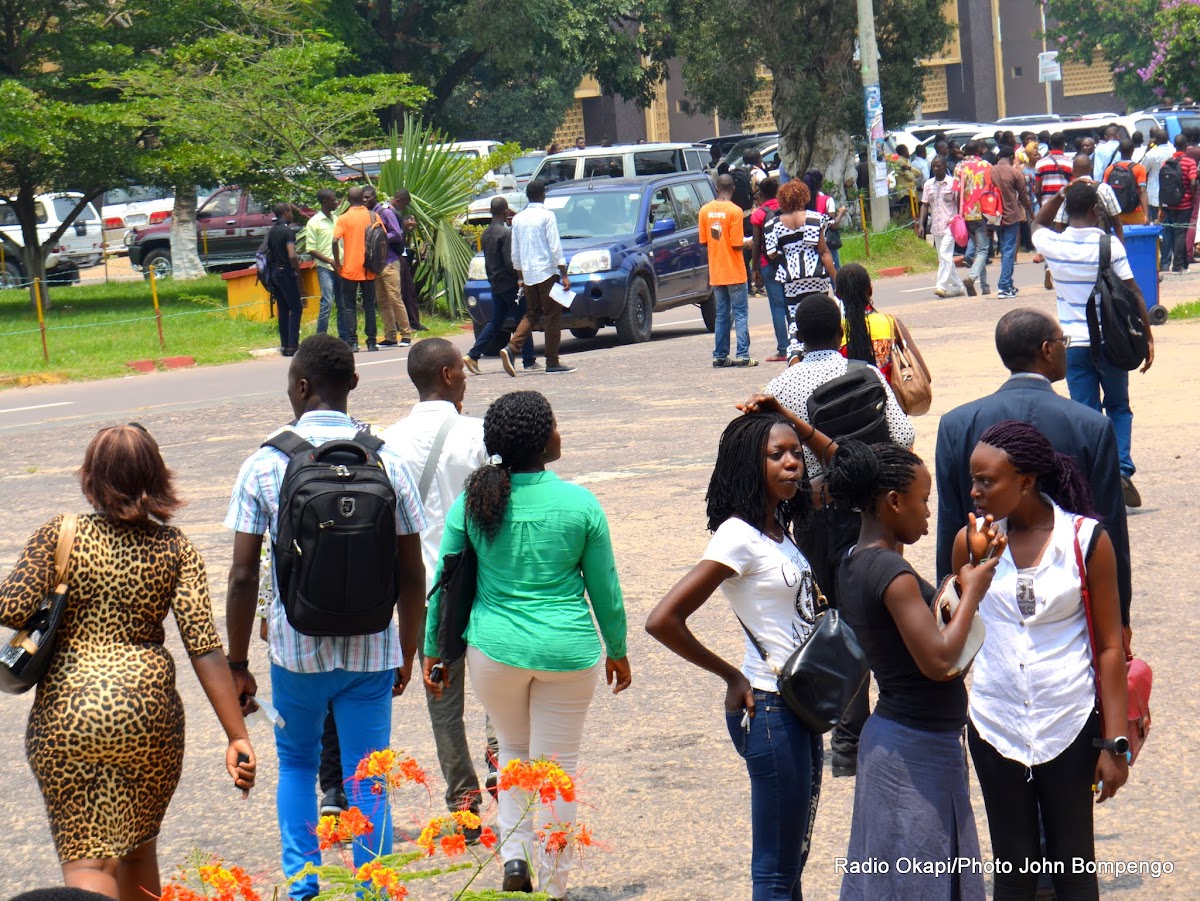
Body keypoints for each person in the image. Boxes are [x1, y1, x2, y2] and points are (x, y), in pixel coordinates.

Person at [0, 424, 256, 900]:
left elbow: (12, 609)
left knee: (91, 858)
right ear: (157, 477)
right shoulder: (174, 547)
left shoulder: (62, 533)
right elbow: (204, 646)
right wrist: (237, 736)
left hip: (69, 716)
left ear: (91, 478)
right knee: (138, 849)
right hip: (150, 718)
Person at [222, 334, 427, 901]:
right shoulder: (387, 460)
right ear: (354, 384)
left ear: (303, 387)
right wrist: (405, 653)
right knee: (369, 778)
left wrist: (238, 663)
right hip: (372, 651)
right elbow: (412, 574)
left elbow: (241, 577)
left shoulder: (265, 463)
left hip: (296, 651)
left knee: (295, 765)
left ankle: (303, 887)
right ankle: (374, 891)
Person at [422, 390, 631, 900]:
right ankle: (554, 886)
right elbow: (605, 589)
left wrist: (433, 648)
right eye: (555, 424)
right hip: (567, 651)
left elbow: (444, 585)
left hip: (493, 652)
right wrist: (618, 649)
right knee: (558, 767)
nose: (561, 433)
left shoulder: (472, 503)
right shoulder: (580, 503)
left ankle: (515, 859)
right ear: (541, 439)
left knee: (513, 753)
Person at [646, 395, 841, 901]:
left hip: (800, 705)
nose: (792, 462)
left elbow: (853, 472)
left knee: (794, 859)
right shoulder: (738, 535)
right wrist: (731, 675)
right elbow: (663, 620)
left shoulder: (779, 528)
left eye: (796, 452)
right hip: (770, 707)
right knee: (775, 872)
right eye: (776, 454)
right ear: (748, 463)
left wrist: (786, 414)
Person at [953, 421, 1130, 898]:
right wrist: (976, 565)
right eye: (973, 479)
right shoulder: (969, 543)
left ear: (1026, 482)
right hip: (995, 724)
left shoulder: (1086, 541)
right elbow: (958, 633)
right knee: (1013, 872)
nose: (974, 491)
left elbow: (1110, 647)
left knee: (1074, 869)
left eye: (987, 481)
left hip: (1069, 721)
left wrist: (1116, 744)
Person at [826, 440, 1000, 901]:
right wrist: (976, 588)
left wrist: (971, 570)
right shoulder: (892, 573)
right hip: (913, 752)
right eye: (923, 500)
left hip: (900, 740)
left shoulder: (853, 560)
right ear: (894, 501)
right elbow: (940, 660)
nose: (928, 512)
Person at [934, 308, 1133, 627]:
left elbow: (950, 526)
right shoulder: (1092, 426)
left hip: (988, 597)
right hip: (1068, 600)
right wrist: (1119, 618)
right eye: (1063, 341)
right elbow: (1109, 530)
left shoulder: (956, 426)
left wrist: (948, 617)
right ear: (1047, 349)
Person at [380, 338, 494, 837]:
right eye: (463, 371)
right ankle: (501, 763)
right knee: (499, 681)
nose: (467, 377)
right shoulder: (478, 434)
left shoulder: (388, 442)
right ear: (447, 375)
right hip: (481, 581)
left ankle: (463, 801)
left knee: (442, 697)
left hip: (423, 591)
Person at [1033, 180, 1154, 508]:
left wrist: (1060, 194)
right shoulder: (1109, 245)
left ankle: (1095, 475)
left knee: (1086, 412)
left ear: (1067, 209)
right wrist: (1148, 337)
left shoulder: (1053, 245)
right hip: (1111, 341)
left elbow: (1037, 223)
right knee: (1118, 406)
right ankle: (1122, 468)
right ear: (1096, 209)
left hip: (1071, 345)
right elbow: (1134, 292)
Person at [499, 180, 574, 375]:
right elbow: (555, 246)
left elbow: (515, 251)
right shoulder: (547, 216)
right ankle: (552, 361)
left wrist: (520, 277)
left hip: (528, 274)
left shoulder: (518, 219)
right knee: (552, 316)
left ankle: (511, 348)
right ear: (542, 195)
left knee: (531, 313)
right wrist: (564, 274)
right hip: (546, 272)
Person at [463, 196, 536, 373]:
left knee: (496, 322)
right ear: (505, 213)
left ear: (490, 212)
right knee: (524, 319)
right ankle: (528, 360)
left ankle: (473, 355)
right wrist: (520, 279)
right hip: (510, 284)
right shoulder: (505, 234)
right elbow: (510, 263)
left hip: (495, 284)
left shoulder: (486, 234)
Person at [701, 173, 757, 367]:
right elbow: (735, 243)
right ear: (733, 189)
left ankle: (720, 355)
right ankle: (743, 355)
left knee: (721, 314)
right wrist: (749, 244)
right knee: (740, 314)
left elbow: (705, 241)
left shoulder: (705, 211)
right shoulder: (735, 211)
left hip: (717, 271)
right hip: (734, 270)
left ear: (717, 189)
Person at [838, 263, 926, 383]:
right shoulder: (890, 323)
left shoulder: (835, 332)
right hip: (890, 400)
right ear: (870, 290)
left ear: (838, 294)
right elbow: (924, 375)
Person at [764, 180, 837, 316]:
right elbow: (823, 252)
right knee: (820, 313)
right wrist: (836, 279)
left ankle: (797, 337)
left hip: (791, 276)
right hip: (816, 274)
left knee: (796, 314)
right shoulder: (814, 219)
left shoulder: (773, 225)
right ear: (804, 197)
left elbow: (772, 254)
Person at [363, 187, 413, 349]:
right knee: (383, 301)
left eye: (368, 197)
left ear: (374, 197)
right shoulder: (368, 214)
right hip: (377, 264)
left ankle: (406, 334)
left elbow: (397, 234)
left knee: (395, 298)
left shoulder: (385, 212)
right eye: (363, 197)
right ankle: (390, 336)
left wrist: (379, 237)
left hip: (390, 262)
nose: (365, 200)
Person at [332, 185, 378, 352]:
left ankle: (353, 343)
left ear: (349, 200)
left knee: (349, 307)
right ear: (362, 198)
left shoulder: (343, 218)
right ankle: (372, 342)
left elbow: (335, 241)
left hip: (350, 269)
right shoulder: (373, 215)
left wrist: (337, 262)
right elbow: (382, 238)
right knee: (369, 305)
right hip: (369, 269)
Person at [750, 178, 787, 361]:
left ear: (761, 193)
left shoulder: (758, 215)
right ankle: (798, 345)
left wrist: (754, 267)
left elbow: (757, 244)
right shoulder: (786, 208)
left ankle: (783, 348)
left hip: (768, 263)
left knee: (777, 306)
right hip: (787, 262)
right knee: (791, 304)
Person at [918, 155, 965, 297]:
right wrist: (921, 225)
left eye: (939, 165)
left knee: (945, 254)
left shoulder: (952, 183)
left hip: (951, 225)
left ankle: (941, 286)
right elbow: (925, 205)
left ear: (945, 166)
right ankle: (958, 286)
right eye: (934, 166)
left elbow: (959, 202)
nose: (936, 168)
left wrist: (961, 220)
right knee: (945, 257)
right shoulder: (928, 184)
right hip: (936, 227)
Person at [992, 145, 1033, 299]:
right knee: (1009, 250)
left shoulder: (990, 171)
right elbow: (1023, 197)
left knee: (1004, 249)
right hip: (1010, 215)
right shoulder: (1015, 173)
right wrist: (1030, 213)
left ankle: (1008, 283)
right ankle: (1003, 286)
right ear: (1011, 158)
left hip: (993, 216)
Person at [956, 141, 994, 296]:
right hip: (983, 210)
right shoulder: (986, 165)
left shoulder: (959, 167)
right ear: (979, 150)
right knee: (984, 249)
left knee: (979, 249)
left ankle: (985, 287)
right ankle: (972, 277)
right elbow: (992, 187)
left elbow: (957, 190)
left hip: (967, 212)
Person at [266, 202, 303, 355]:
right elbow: (292, 255)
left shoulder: (272, 231)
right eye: (291, 212)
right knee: (296, 308)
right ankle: (293, 345)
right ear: (286, 213)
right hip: (286, 272)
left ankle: (285, 345)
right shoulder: (288, 232)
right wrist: (297, 269)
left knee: (283, 308)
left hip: (274, 272)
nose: (292, 215)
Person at [1159, 133, 1198, 273]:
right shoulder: (1189, 162)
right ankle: (1178, 266)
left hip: (1169, 203)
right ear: (1186, 146)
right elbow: (1193, 181)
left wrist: (1160, 207)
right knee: (1181, 233)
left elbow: (1162, 185)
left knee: (1171, 233)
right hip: (1185, 203)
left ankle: (1170, 264)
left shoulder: (1166, 162)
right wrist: (1193, 196)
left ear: (1175, 146)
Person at [303, 188, 339, 335]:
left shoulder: (337, 219)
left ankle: (345, 336)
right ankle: (321, 335)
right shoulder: (314, 222)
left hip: (340, 265)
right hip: (326, 267)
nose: (336, 202)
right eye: (333, 199)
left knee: (342, 303)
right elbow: (310, 248)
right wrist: (330, 261)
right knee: (327, 302)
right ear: (325, 202)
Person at [390, 189, 427, 331]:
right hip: (392, 257)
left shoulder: (397, 214)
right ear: (398, 201)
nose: (405, 208)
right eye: (404, 205)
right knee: (399, 293)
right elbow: (393, 236)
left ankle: (414, 321)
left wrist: (406, 229)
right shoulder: (389, 213)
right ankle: (402, 324)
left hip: (401, 256)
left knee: (408, 291)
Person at [801, 168, 848, 270]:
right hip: (826, 243)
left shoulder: (801, 202)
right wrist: (841, 213)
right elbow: (833, 224)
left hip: (807, 242)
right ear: (820, 184)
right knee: (834, 271)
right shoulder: (827, 200)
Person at [1141, 128, 1174, 264]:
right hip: (1172, 195)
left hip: (1155, 195)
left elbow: (1143, 169)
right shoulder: (1173, 151)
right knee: (1171, 228)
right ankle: (1167, 261)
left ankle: (1159, 261)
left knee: (1158, 229)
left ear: (1156, 140)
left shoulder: (1152, 154)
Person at [1103, 139, 1151, 227]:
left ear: (1119, 151)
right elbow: (1142, 191)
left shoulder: (1110, 169)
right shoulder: (1139, 168)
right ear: (1133, 151)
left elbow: (1104, 192)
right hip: (1135, 212)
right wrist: (1146, 215)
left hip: (1116, 214)